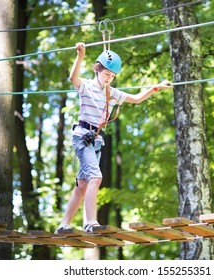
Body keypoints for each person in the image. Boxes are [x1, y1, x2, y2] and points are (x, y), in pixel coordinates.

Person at [55, 42, 172, 234]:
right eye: (106, 73)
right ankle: (90, 222)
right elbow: (72, 77)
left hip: (96, 140)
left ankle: (63, 225)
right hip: (83, 136)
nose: (109, 78)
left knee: (83, 184)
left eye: (112, 75)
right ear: (98, 70)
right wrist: (80, 56)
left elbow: (136, 98)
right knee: (96, 177)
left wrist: (155, 88)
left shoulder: (112, 93)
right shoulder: (86, 86)